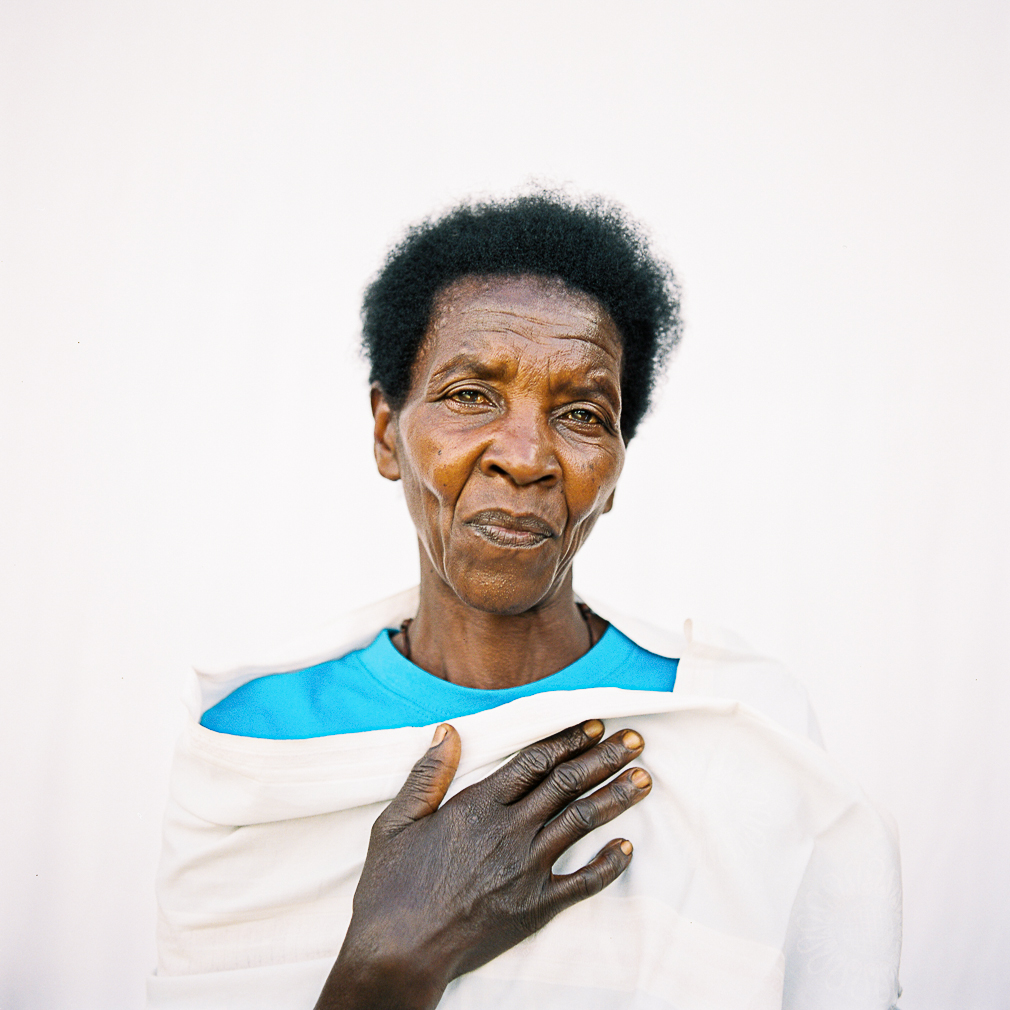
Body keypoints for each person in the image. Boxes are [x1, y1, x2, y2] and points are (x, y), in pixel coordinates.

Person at [148, 194, 903, 1010]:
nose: (527, 456)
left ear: (615, 470)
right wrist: (391, 962)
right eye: (472, 395)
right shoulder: (256, 743)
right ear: (385, 431)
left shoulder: (737, 721)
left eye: (582, 413)